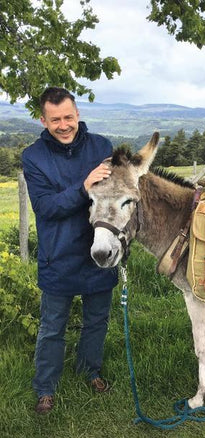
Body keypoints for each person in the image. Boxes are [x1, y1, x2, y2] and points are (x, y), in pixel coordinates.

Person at [22, 87, 117, 415]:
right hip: (58, 253)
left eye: (68, 117)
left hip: (99, 250)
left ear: (77, 114)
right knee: (52, 327)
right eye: (55, 120)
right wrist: (83, 187)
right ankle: (45, 388)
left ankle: (90, 371)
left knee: (97, 320)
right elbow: (46, 207)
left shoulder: (101, 147)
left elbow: (113, 197)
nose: (63, 125)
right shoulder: (33, 157)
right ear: (43, 120)